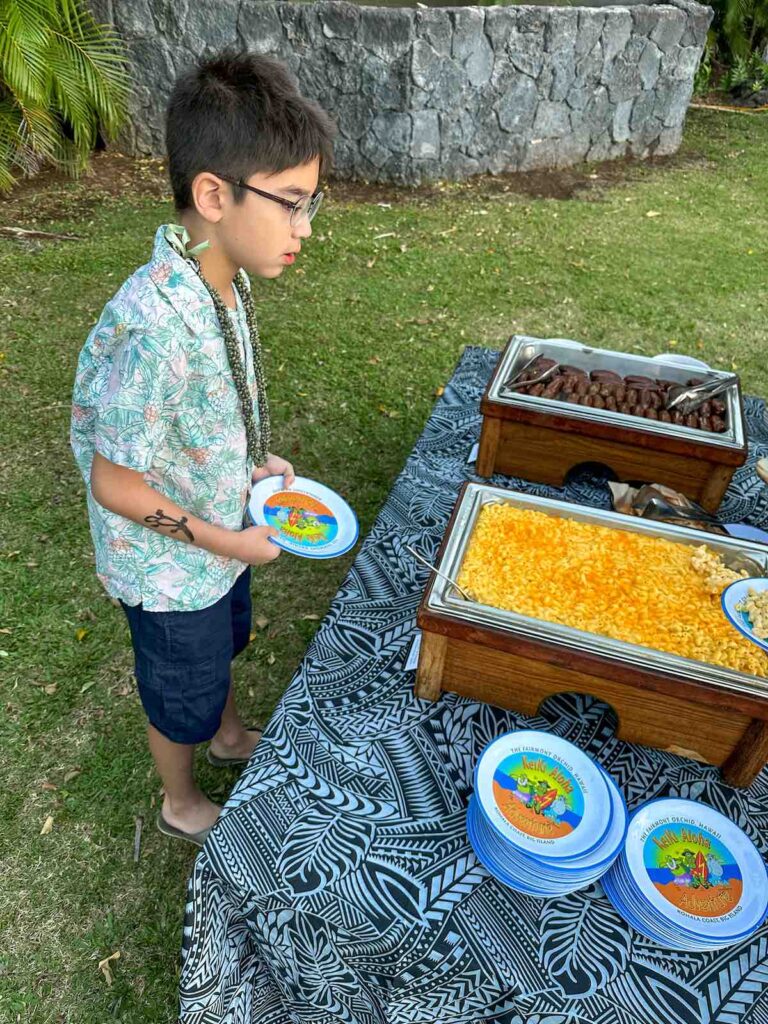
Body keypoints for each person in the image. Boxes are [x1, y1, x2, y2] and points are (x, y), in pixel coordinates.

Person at [70, 52, 336, 846]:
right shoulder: (154, 327)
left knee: (222, 648)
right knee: (177, 689)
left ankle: (226, 735)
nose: (306, 228)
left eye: (312, 203)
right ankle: (180, 798)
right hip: (171, 569)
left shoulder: (226, 276)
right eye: (291, 204)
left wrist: (251, 461)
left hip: (222, 529)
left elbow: (206, 403)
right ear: (214, 196)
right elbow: (116, 485)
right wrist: (228, 543)